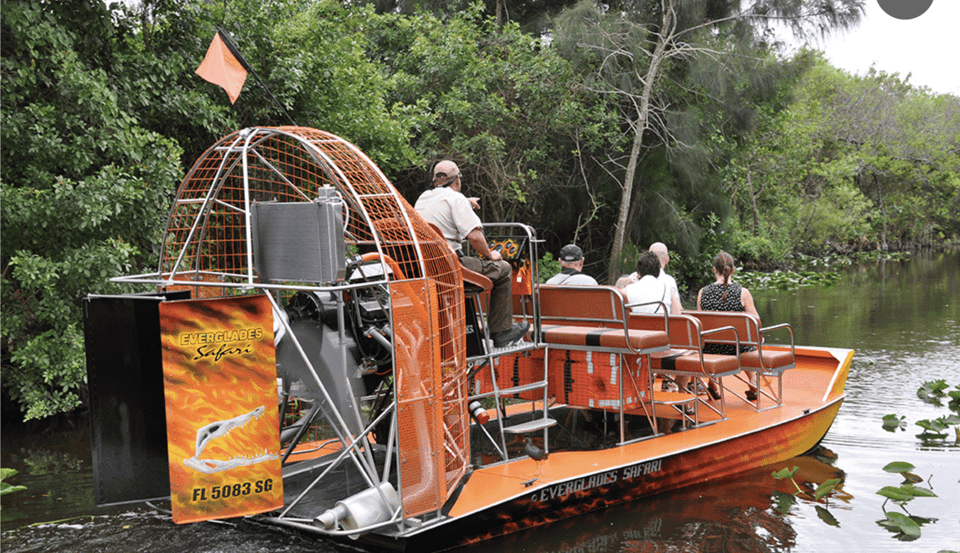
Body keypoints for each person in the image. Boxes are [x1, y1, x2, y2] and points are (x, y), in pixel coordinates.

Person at [415, 160, 529, 348]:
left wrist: (465, 202)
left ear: (435, 180)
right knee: (504, 268)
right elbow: (475, 237)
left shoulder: (423, 198)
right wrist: (491, 255)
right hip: (451, 266)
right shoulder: (456, 199)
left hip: (427, 267)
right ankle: (501, 331)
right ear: (457, 179)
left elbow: (443, 205)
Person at [696, 251, 760, 399]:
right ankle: (753, 381)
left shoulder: (702, 292)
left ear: (714, 270)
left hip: (710, 348)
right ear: (733, 270)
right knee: (747, 344)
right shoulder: (742, 293)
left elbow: (701, 323)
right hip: (736, 348)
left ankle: (712, 384)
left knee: (716, 340)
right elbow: (755, 322)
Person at [649, 242, 683, 311]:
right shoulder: (669, 281)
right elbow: (678, 309)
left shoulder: (633, 278)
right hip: (662, 321)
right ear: (667, 259)